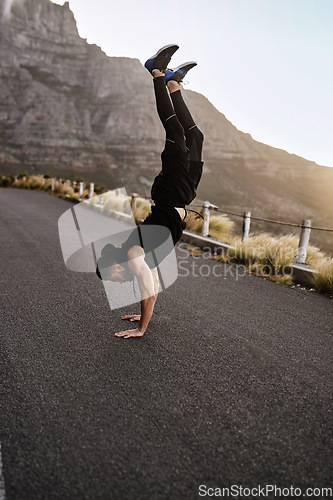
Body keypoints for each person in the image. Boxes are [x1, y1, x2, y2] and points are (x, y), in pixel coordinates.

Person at [96, 44, 204, 338]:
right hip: (184, 193)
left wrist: (141, 329)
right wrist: (140, 315)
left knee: (176, 133)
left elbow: (146, 289)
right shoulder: (140, 256)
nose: (116, 281)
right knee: (196, 136)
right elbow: (151, 290)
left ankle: (156, 71)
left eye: (112, 276)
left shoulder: (133, 254)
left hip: (170, 191)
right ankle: (173, 85)